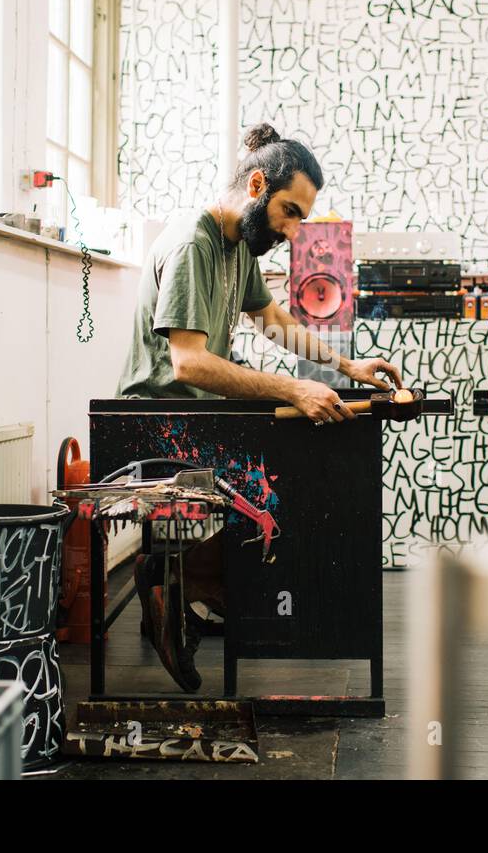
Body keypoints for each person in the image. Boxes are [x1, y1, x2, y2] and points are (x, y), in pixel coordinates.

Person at [116, 122, 403, 690]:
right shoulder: (194, 242)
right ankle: (184, 584)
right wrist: (293, 389)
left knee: (294, 466)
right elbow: (190, 364)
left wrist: (346, 368)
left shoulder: (237, 245)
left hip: (197, 416)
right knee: (280, 479)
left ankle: (187, 585)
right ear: (256, 186)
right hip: (156, 423)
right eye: (290, 212)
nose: (295, 232)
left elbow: (273, 322)